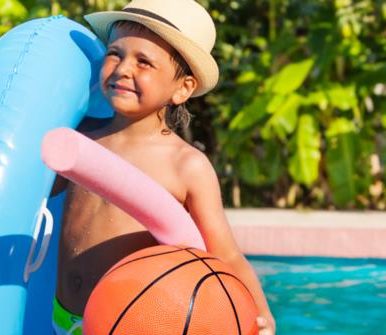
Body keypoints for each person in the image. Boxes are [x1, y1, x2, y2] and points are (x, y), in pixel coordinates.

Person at [51, 0, 275, 334]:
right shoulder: (82, 141)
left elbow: (224, 253)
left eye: (144, 61)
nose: (124, 68)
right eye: (115, 53)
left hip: (129, 322)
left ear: (182, 88)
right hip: (63, 316)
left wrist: (261, 315)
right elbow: (32, 199)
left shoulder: (185, 165)